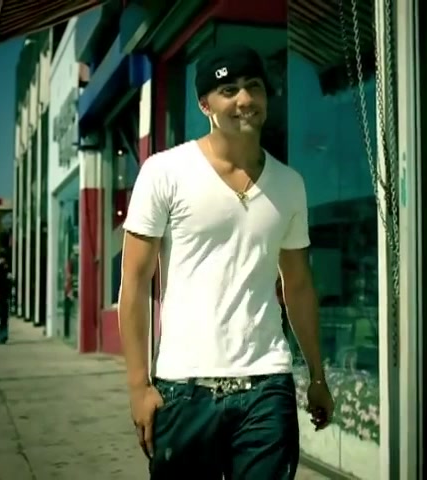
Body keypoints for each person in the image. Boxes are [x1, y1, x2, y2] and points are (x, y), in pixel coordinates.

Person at [118, 44, 334, 479]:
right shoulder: (165, 172)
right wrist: (139, 386)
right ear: (205, 105)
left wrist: (316, 375)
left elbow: (298, 286)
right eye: (228, 90)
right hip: (184, 389)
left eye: (253, 86)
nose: (245, 99)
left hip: (266, 385)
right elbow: (135, 285)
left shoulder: (289, 184)